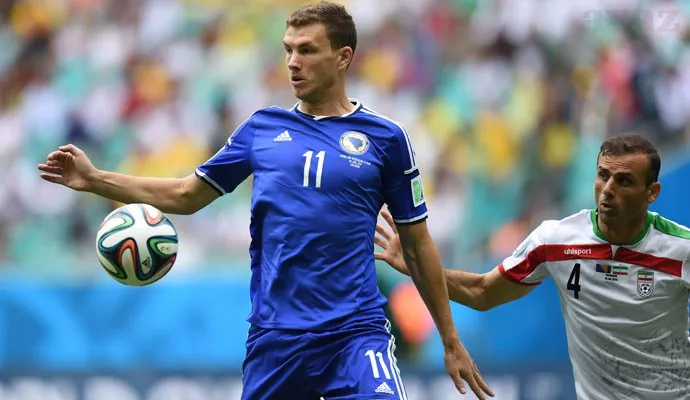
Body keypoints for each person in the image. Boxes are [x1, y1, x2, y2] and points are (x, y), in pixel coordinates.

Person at [37, 2, 493, 400]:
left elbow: (418, 243)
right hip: (277, 339)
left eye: (307, 50)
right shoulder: (261, 130)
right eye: (288, 50)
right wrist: (95, 179)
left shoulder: (386, 139)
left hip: (355, 334)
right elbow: (186, 195)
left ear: (343, 57)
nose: (293, 62)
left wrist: (450, 339)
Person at [374, 134, 690, 399]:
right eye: (603, 175)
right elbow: (483, 292)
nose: (608, 189)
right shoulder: (556, 240)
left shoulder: (680, 249)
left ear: (652, 192)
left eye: (624, 181)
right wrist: (418, 266)